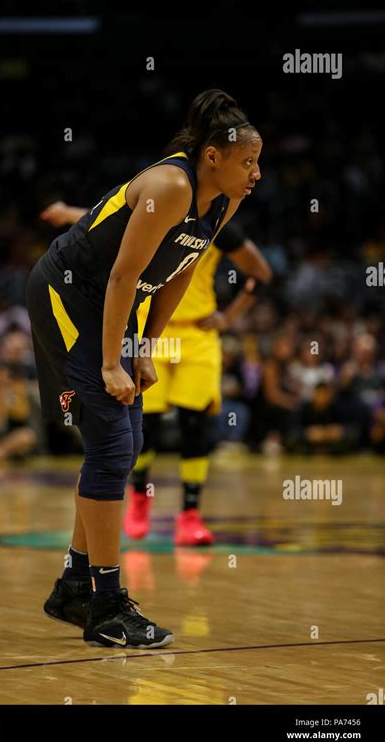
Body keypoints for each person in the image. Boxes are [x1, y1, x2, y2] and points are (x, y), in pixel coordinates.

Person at [27, 88, 262, 648]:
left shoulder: (222, 202)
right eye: (248, 161)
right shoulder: (169, 185)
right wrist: (113, 361)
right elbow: (120, 277)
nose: (256, 173)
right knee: (110, 442)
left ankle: (73, 587)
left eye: (259, 162)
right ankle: (106, 602)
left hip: (116, 306)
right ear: (213, 157)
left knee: (125, 441)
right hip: (69, 291)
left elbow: (177, 272)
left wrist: (146, 349)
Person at [41, 208, 272, 544]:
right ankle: (139, 498)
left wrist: (229, 318)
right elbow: (111, 213)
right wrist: (67, 214)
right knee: (145, 423)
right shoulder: (156, 213)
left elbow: (259, 272)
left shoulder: (215, 225)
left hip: (197, 335)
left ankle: (190, 515)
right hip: (152, 333)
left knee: (194, 424)